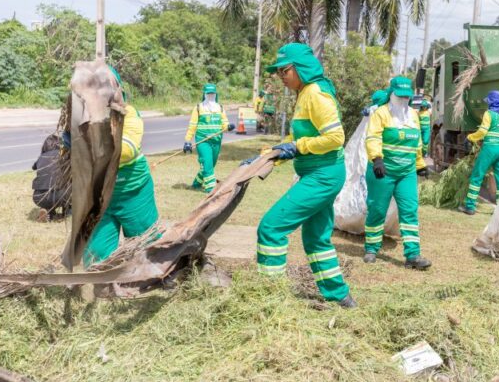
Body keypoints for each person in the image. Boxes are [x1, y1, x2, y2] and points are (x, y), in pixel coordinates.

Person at [255, 43, 356, 309]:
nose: (281, 76)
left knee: (271, 228)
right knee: (316, 238)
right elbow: (298, 136)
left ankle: (269, 297)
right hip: (317, 173)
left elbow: (335, 138)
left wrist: (297, 147)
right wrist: (270, 154)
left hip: (323, 175)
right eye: (277, 72)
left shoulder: (315, 93)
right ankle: (340, 296)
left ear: (300, 68)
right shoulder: (303, 94)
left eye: (284, 70)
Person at [83, 67, 161, 267]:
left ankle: (158, 275)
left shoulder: (130, 114)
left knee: (146, 246)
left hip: (133, 193)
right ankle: (103, 282)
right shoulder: (86, 117)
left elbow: (126, 150)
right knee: (95, 253)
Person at [363, 76, 431, 270]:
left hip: (406, 173)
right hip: (383, 171)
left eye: (406, 97)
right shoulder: (381, 113)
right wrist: (377, 158)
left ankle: (412, 255)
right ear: (391, 94)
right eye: (399, 96)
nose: (402, 100)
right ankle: (371, 248)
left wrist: (420, 164)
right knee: (377, 210)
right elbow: (373, 137)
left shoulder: (413, 115)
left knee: (410, 210)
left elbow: (417, 144)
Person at [458, 90, 499, 215]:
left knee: (477, 175)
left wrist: (470, 137)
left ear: (492, 102)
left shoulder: (489, 114)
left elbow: (482, 132)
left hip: (490, 149)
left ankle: (470, 206)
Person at [183, 84, 235, 193]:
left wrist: (228, 127)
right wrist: (187, 141)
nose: (210, 96)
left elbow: (224, 124)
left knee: (211, 164)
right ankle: (210, 189)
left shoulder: (220, 108)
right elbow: (192, 125)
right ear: (204, 94)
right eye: (208, 94)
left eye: (212, 94)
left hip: (216, 141)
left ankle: (197, 183)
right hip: (203, 141)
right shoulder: (198, 108)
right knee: (207, 162)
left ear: (215, 94)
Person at [31, 134, 70, 222]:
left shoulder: (41, 157)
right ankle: (67, 213)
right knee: (69, 189)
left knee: (48, 199)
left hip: (39, 197)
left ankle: (49, 213)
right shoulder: (64, 155)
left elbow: (34, 167)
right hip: (61, 195)